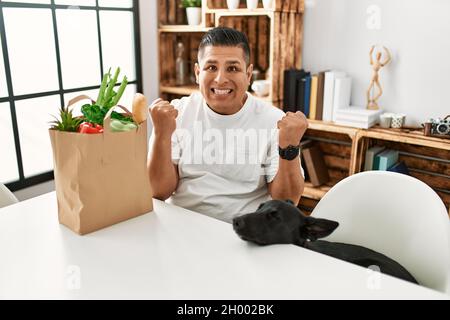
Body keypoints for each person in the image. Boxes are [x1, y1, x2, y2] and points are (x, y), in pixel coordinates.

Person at [148, 27, 308, 223]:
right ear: (198, 72)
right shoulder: (177, 113)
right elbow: (158, 192)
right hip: (183, 226)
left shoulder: (273, 120)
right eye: (211, 67)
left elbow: (287, 201)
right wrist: (160, 133)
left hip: (245, 231)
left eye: (232, 68)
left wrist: (289, 147)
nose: (221, 79)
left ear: (248, 75)